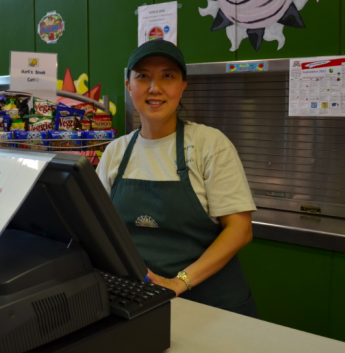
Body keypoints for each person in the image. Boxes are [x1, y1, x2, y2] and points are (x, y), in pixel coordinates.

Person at [96, 40, 258, 317]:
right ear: (129, 86)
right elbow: (99, 227)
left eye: (167, 76)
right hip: (140, 301)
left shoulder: (209, 144)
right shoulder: (115, 152)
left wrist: (178, 282)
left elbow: (240, 230)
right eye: (143, 76)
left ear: (183, 85)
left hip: (212, 305)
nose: (154, 87)